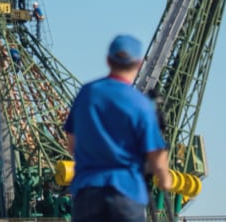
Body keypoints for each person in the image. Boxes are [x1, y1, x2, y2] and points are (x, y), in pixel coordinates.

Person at [63, 35, 172, 222]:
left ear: (108, 60)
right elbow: (155, 152)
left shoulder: (86, 94)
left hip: (88, 192)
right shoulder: (141, 104)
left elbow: (72, 144)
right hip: (126, 192)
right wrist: (164, 178)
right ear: (139, 64)